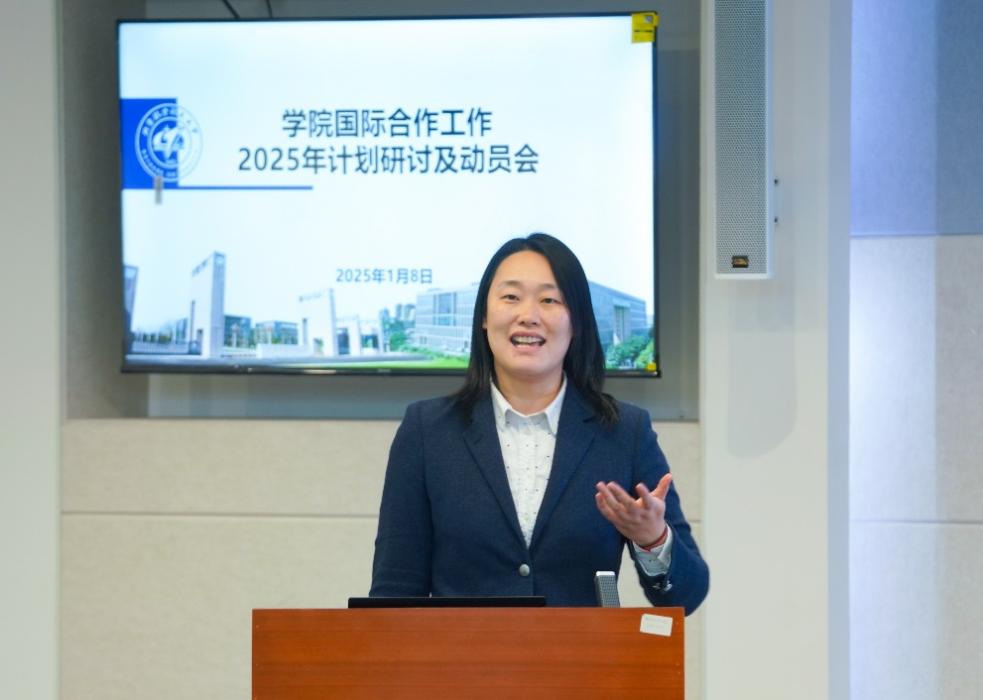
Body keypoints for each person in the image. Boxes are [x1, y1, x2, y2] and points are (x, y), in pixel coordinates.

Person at [370, 233, 708, 612]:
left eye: (549, 300)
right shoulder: (427, 430)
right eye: (511, 297)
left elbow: (688, 595)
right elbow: (393, 592)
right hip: (463, 652)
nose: (528, 315)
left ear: (576, 322)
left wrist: (652, 538)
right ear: (484, 317)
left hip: (582, 652)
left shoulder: (624, 431)